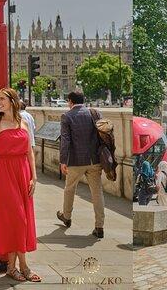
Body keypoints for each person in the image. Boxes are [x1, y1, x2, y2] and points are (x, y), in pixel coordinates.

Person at [0, 88, 41, 283]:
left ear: (12, 100)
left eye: (2, 99)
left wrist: (34, 177)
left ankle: (14, 267)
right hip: (4, 172)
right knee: (17, 220)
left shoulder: (23, 122)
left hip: (23, 173)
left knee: (24, 219)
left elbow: (29, 152)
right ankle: (20, 266)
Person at [56, 90, 105, 238]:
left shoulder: (67, 116)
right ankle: (99, 226)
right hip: (95, 160)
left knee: (70, 189)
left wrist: (63, 161)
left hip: (76, 161)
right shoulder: (95, 113)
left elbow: (65, 140)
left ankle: (67, 216)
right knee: (97, 192)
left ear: (70, 101)